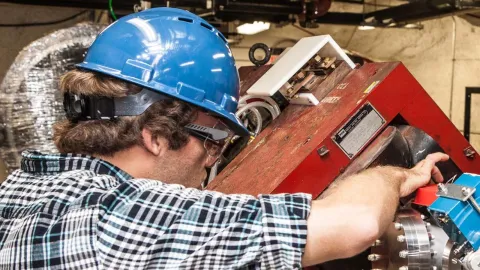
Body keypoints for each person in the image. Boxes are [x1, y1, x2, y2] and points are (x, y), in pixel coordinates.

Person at [0, 7, 448, 269]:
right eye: (212, 141)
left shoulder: (16, 190)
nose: (209, 166)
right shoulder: (125, 220)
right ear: (155, 135)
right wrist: (398, 176)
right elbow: (356, 224)